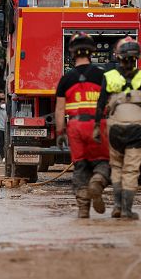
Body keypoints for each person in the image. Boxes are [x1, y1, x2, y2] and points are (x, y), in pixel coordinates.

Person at [94, 37, 141, 220]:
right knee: (131, 170)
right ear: (136, 58)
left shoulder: (109, 77)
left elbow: (100, 105)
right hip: (137, 130)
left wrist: (98, 126)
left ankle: (116, 205)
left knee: (116, 167)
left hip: (115, 129)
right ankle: (127, 210)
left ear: (119, 57)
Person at [55, 32, 110, 218]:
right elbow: (109, 105)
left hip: (75, 127)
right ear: (92, 51)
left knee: (80, 166)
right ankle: (97, 182)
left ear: (72, 53)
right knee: (102, 162)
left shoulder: (65, 79)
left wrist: (60, 132)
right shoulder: (102, 76)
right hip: (97, 125)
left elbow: (60, 109)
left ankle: (83, 209)